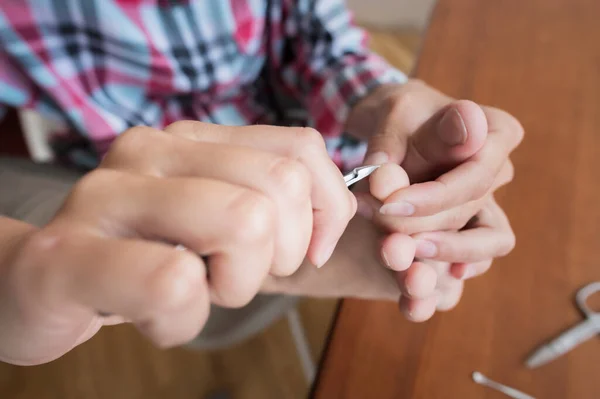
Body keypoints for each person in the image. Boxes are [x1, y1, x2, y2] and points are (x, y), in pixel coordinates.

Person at [0, 0, 523, 366]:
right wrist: (17, 265)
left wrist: (385, 104)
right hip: (124, 211)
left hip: (319, 169)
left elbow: (316, 36)